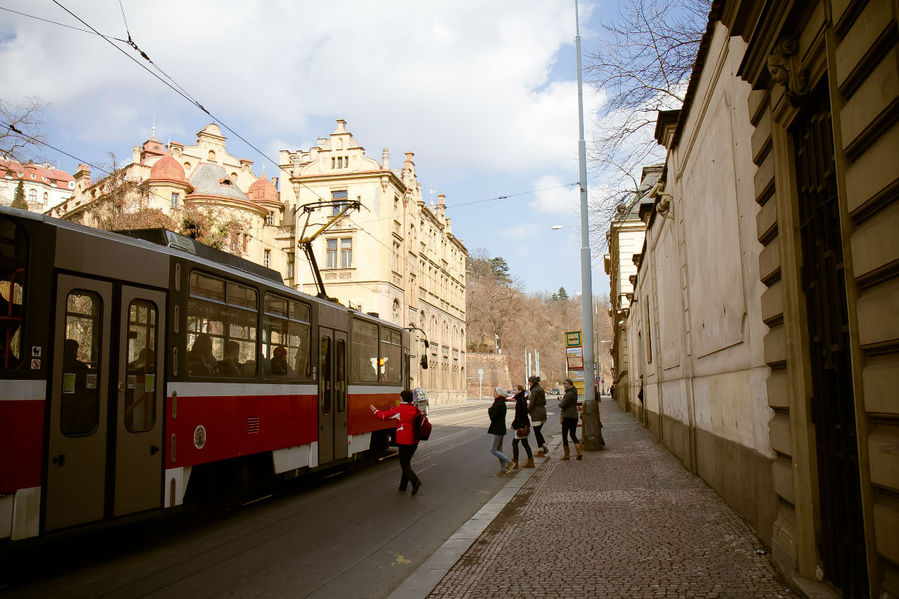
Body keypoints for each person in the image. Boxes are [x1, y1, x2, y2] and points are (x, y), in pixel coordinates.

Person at [370, 389, 422, 496]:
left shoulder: (400, 410)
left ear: (403, 398)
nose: (399, 398)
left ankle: (415, 481)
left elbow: (383, 416)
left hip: (404, 441)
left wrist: (374, 409)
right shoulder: (416, 410)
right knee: (406, 463)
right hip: (415, 441)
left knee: (404, 464)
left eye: (400, 397)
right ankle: (403, 486)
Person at [488, 386, 513, 476]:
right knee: (499, 450)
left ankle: (509, 462)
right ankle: (503, 470)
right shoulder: (500, 403)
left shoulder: (499, 404)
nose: (493, 394)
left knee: (493, 450)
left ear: (498, 394)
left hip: (498, 429)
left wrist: (490, 410)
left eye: (495, 393)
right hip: (500, 429)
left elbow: (493, 417)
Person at [510, 384, 534, 469]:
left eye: (515, 390)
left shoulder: (519, 400)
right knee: (525, 443)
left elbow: (519, 415)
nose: (514, 391)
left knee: (515, 443)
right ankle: (531, 461)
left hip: (520, 425)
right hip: (524, 424)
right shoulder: (522, 398)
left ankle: (515, 463)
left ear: (519, 391)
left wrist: (514, 424)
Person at [559, 378, 583, 460]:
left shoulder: (569, 394)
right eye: (564, 384)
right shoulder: (574, 392)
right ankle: (579, 452)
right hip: (574, 416)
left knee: (564, 434)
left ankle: (567, 454)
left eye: (565, 384)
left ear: (570, 384)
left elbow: (563, 405)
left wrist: (561, 403)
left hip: (567, 416)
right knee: (573, 434)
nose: (564, 385)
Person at [527, 375, 548, 457]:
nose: (528, 383)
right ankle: (544, 447)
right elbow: (544, 402)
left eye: (529, 381)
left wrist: (527, 411)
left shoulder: (534, 391)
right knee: (538, 432)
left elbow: (531, 404)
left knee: (537, 432)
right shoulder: (541, 389)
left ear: (532, 382)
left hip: (536, 413)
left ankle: (540, 451)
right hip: (542, 411)